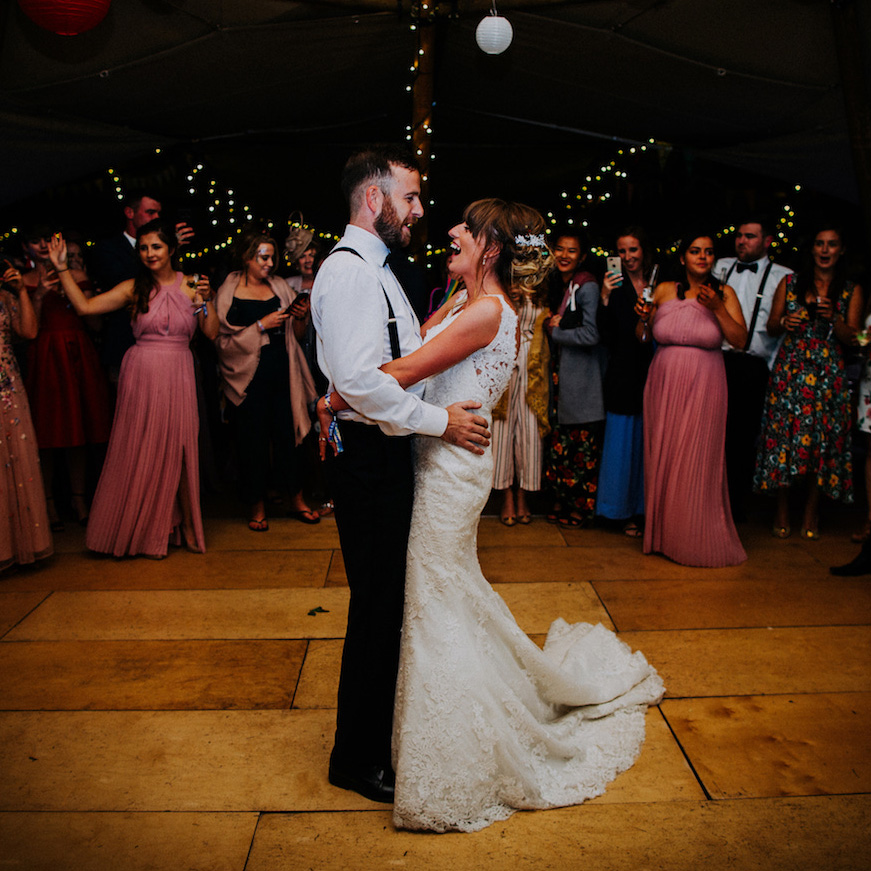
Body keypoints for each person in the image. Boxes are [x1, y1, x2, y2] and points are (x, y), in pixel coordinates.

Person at [318, 199, 663, 833]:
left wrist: (339, 393)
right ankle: (411, 728)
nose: (450, 232)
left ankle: (452, 740)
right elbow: (416, 372)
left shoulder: (486, 311)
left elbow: (408, 371)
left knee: (433, 596)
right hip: (433, 455)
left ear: (492, 251)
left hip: (450, 471)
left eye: (467, 231)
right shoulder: (457, 299)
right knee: (438, 596)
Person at [310, 145, 491, 806]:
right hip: (366, 458)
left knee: (384, 605)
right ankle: (354, 758)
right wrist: (439, 422)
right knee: (376, 607)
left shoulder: (379, 270)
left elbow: (401, 351)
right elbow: (359, 381)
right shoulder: (351, 272)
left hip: (382, 452)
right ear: (373, 199)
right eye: (409, 198)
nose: (419, 210)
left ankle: (366, 743)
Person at [48, 219, 219, 558]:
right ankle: (142, 527)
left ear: (171, 249)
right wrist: (62, 269)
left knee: (182, 451)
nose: (149, 253)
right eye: (143, 248)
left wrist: (206, 300)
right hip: (141, 374)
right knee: (142, 449)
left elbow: (211, 332)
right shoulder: (133, 288)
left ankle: (183, 522)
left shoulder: (192, 285)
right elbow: (85, 307)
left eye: (155, 246)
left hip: (179, 371)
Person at [638, 232, 748, 567]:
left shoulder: (723, 293)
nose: (703, 257)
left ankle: (694, 537)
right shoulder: (663, 290)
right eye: (695, 251)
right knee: (666, 455)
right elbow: (642, 337)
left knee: (695, 454)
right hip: (664, 379)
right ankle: (664, 536)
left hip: (706, 380)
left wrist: (717, 309)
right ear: (683, 256)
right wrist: (643, 319)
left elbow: (740, 340)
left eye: (709, 252)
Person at [754, 224, 862, 539]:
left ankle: (813, 510)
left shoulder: (851, 289)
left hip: (828, 374)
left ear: (841, 251)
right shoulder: (790, 283)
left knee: (821, 442)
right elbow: (771, 326)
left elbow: (854, 339)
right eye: (819, 244)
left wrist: (835, 320)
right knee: (785, 441)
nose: (825, 250)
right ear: (812, 249)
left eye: (832, 244)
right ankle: (782, 508)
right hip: (791, 371)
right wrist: (786, 321)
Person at [214, 232, 319, 530]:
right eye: (263, 257)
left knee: (290, 437)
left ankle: (296, 499)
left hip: (283, 373)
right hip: (247, 380)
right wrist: (261, 325)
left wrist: (299, 317)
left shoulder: (279, 286)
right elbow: (222, 340)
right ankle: (257, 506)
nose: (270, 263)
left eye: (272, 257)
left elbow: (296, 338)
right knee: (252, 443)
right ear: (247, 257)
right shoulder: (230, 289)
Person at [20, 223, 111, 530]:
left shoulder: (78, 278)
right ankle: (46, 503)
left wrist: (75, 289)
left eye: (48, 238)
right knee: (45, 433)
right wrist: (41, 295)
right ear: (26, 249)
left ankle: (79, 498)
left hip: (76, 355)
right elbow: (21, 333)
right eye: (36, 240)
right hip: (44, 356)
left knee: (79, 431)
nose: (44, 245)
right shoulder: (23, 282)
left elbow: (97, 324)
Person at [713, 218, 793, 520]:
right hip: (718, 360)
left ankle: (734, 507)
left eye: (750, 236)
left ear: (767, 241)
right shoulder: (720, 266)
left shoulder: (784, 276)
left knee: (743, 438)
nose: (741, 241)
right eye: (739, 236)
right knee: (714, 434)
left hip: (754, 366)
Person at [90, 191, 194, 381]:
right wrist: (160, 252)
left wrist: (170, 251)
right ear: (130, 213)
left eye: (158, 214)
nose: (156, 218)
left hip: (168, 355)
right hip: (124, 346)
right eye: (150, 212)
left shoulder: (169, 254)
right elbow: (128, 283)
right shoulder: (107, 248)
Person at [596, 226, 657, 536]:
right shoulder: (614, 286)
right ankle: (617, 510)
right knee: (622, 441)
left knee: (650, 441)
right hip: (621, 369)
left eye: (633, 250)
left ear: (643, 250)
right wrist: (605, 296)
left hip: (655, 367)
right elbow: (603, 335)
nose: (628, 256)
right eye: (622, 251)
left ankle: (646, 510)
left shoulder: (661, 284)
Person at [543, 230, 606, 527]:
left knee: (581, 447)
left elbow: (592, 334)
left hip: (582, 380)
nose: (564, 255)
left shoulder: (587, 286)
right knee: (565, 446)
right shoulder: (564, 285)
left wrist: (555, 331)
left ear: (581, 257)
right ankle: (564, 502)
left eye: (572, 251)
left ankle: (580, 508)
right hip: (564, 379)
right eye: (560, 249)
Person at [0, 259, 53, 571]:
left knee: (16, 465)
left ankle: (18, 546)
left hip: (8, 388)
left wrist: (21, 292)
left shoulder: (5, 297)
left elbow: (30, 331)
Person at [490, 264, 550, 526]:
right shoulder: (498, 283)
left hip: (533, 365)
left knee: (529, 431)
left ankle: (524, 495)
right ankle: (506, 496)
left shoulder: (543, 289)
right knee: (501, 431)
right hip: (504, 361)